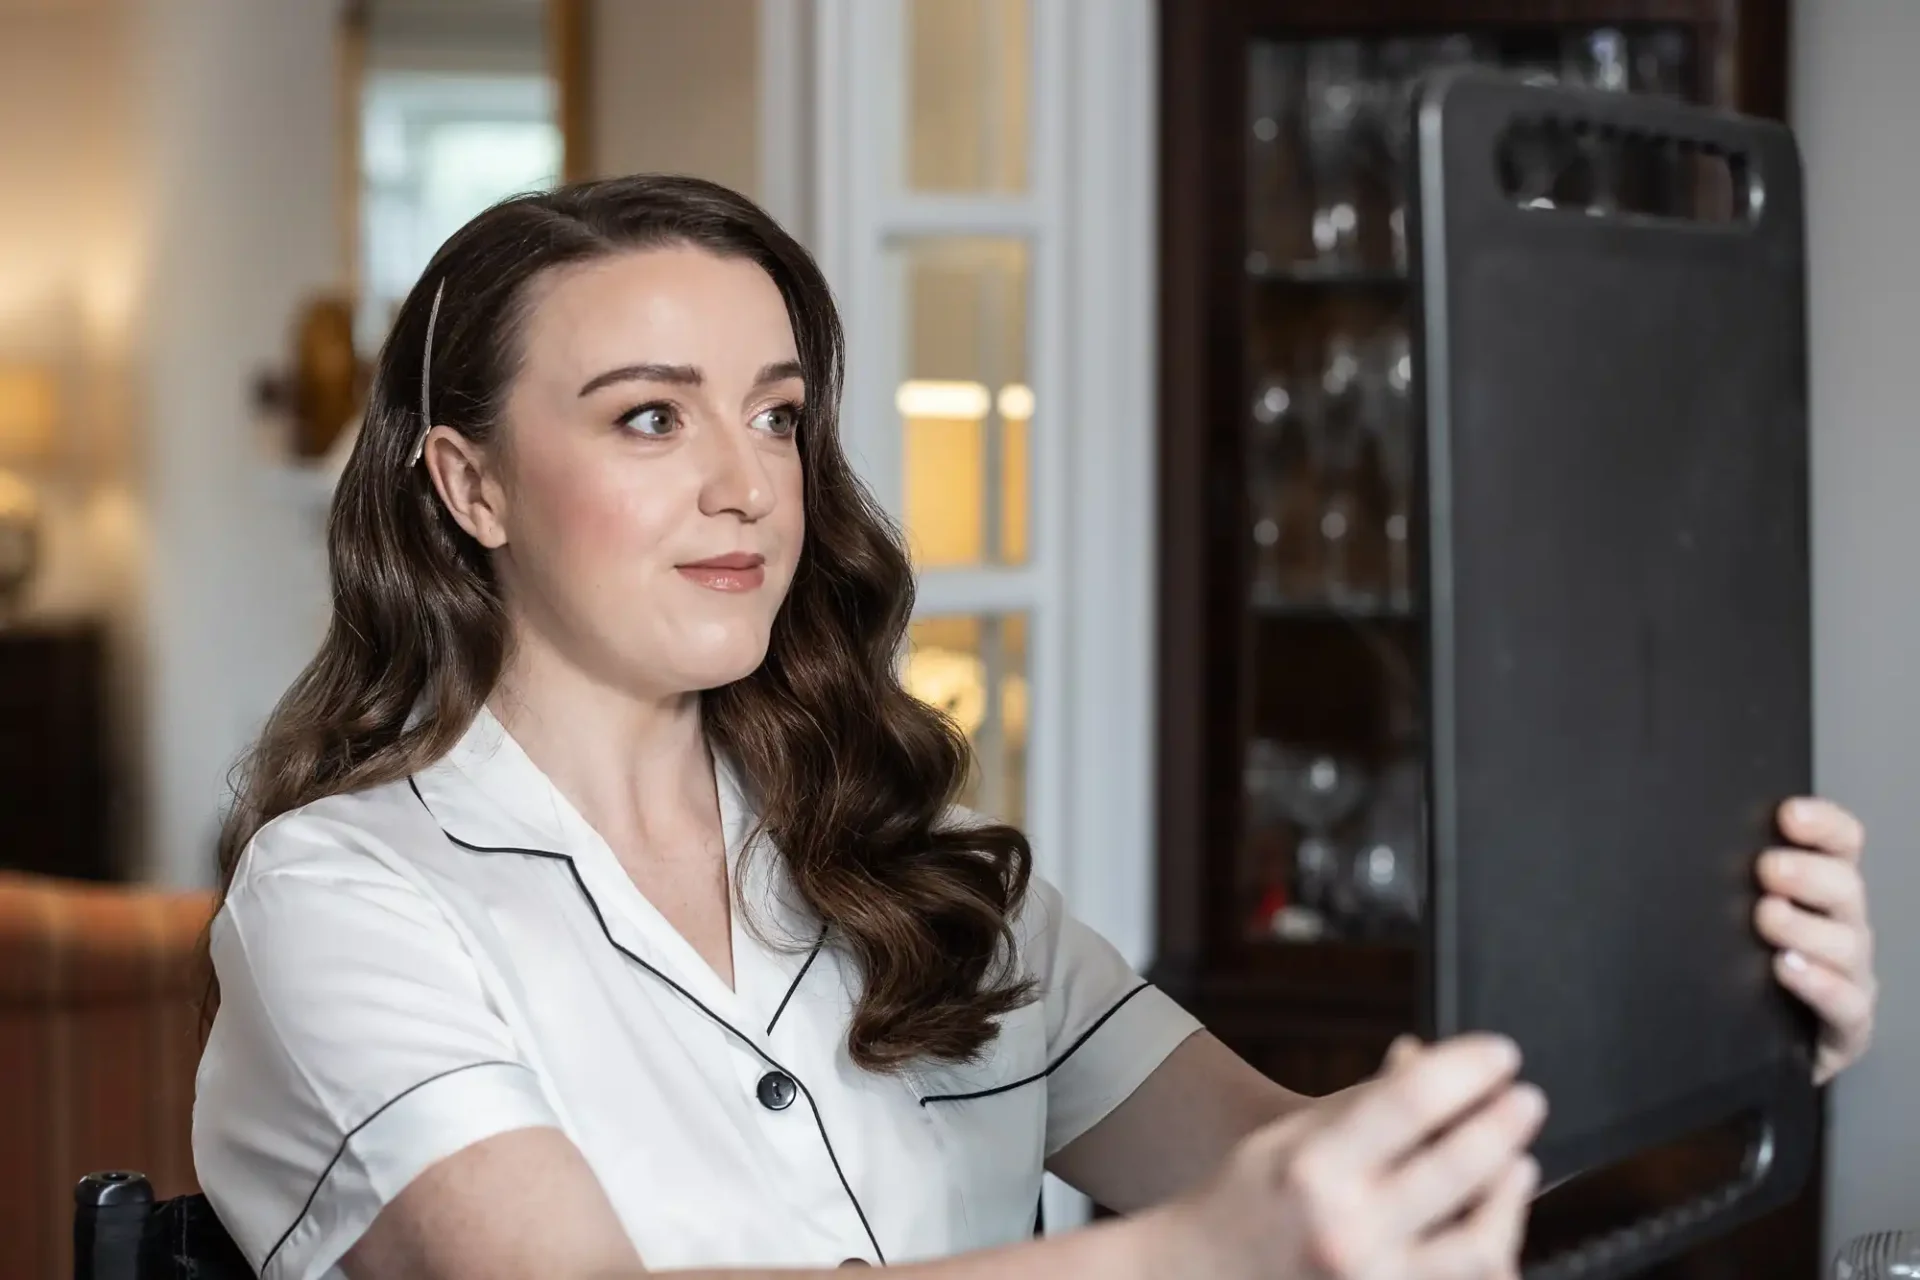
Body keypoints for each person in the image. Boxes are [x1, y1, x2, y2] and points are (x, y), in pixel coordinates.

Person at [191, 175, 1877, 1280]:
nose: (743, 485)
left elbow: (1295, 1163)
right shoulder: (343, 896)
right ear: (469, 483)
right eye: (650, 418)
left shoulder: (911, 874)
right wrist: (1194, 1257)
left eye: (778, 418)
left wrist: (1706, 1013)